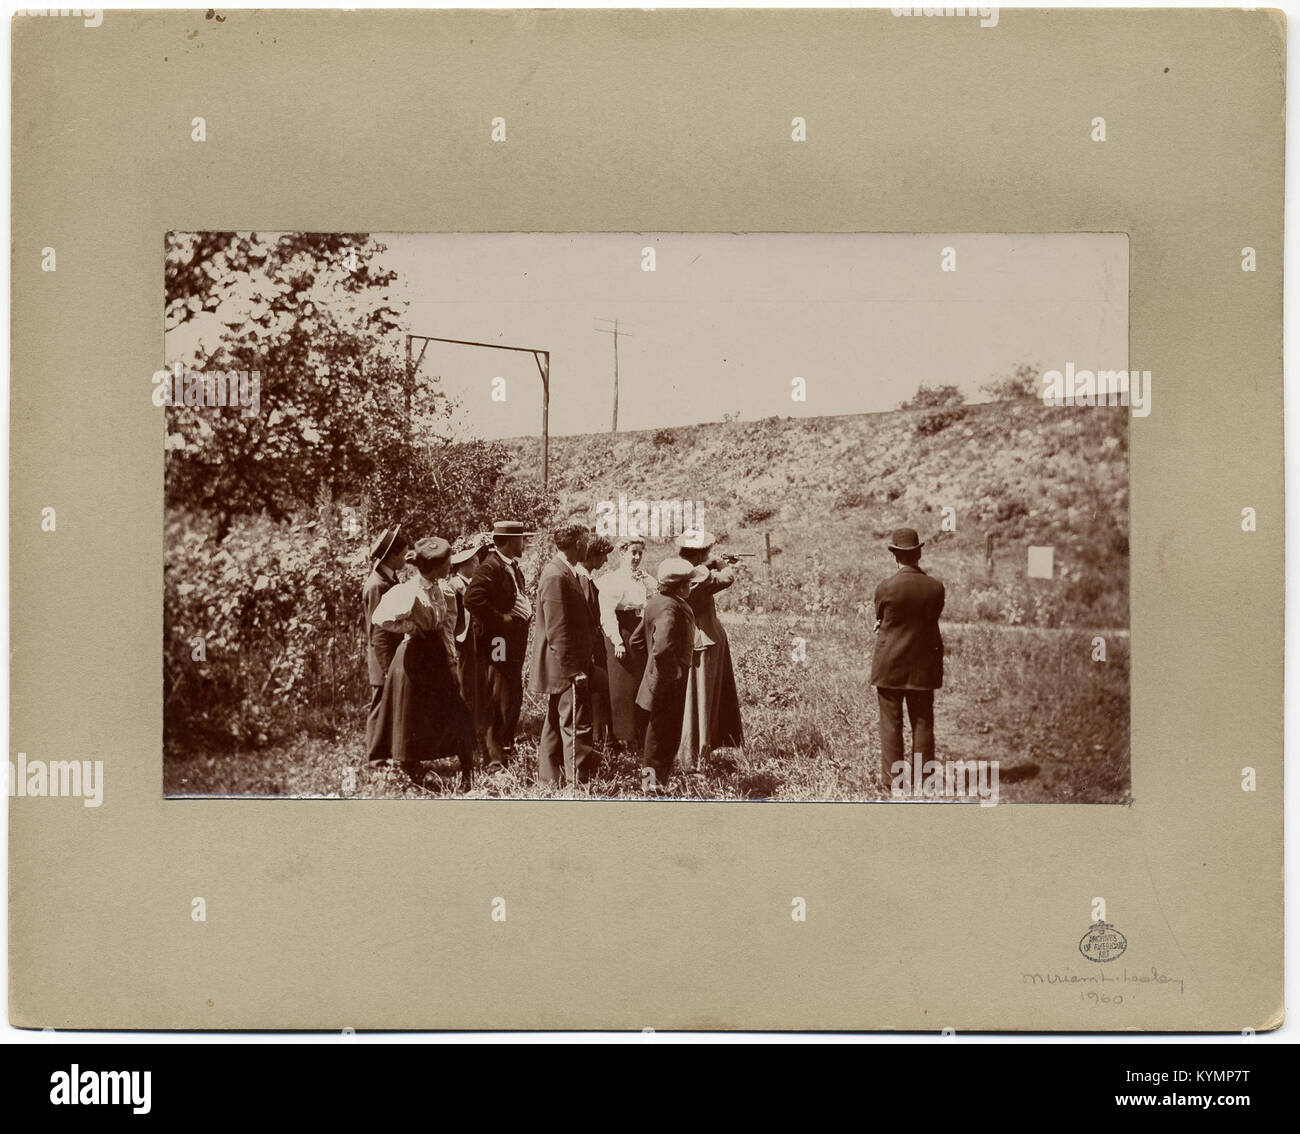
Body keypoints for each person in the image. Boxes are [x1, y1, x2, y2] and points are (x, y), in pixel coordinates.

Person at [367, 537, 475, 790]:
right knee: (412, 717)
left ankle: (468, 771)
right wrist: (411, 626)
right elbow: (380, 618)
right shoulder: (408, 591)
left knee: (457, 712)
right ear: (435, 567)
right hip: (413, 660)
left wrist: (451, 660)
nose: (451, 566)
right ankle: (413, 773)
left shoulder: (446, 590)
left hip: (436, 655)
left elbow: (448, 628)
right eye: (447, 563)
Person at [870, 527, 945, 792]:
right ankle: (926, 781)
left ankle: (894, 782)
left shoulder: (886, 587)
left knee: (891, 723)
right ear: (919, 553)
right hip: (924, 665)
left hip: (890, 664)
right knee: (923, 721)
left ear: (895, 555)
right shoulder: (936, 588)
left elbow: (880, 618)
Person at [527, 523, 594, 785]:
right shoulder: (556, 575)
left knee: (555, 723)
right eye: (586, 541)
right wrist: (573, 670)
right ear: (578, 544)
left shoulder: (564, 571)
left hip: (563, 665)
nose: (588, 546)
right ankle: (577, 785)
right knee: (575, 725)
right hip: (565, 667)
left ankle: (549, 780)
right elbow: (558, 629)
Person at [465, 520, 535, 772]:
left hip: (509, 642)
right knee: (498, 695)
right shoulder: (490, 567)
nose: (524, 543)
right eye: (520, 538)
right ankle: (494, 760)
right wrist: (501, 620)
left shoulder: (508, 566)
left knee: (511, 694)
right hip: (498, 641)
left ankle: (505, 748)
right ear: (508, 541)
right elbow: (472, 599)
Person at [629, 558, 702, 792]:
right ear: (680, 587)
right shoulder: (671, 608)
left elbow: (637, 641)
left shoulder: (656, 602)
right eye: (689, 584)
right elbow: (661, 648)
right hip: (668, 683)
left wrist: (649, 670)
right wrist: (674, 671)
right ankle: (651, 785)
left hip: (657, 680)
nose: (690, 588)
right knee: (661, 736)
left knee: (658, 733)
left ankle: (655, 782)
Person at [674, 528, 745, 769]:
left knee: (689, 699)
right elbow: (726, 579)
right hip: (703, 640)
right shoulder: (699, 574)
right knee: (702, 699)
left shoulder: (678, 568)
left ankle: (687, 751)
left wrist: (712, 562)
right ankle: (697, 755)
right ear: (701, 553)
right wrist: (725, 564)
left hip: (688, 639)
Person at [596, 537, 657, 750]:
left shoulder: (642, 577)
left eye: (640, 553)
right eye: (633, 552)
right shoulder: (612, 580)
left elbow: (653, 594)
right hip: (620, 631)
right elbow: (607, 613)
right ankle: (615, 737)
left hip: (638, 630)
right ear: (622, 553)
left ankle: (635, 735)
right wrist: (617, 641)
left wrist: (645, 580)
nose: (637, 557)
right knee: (619, 686)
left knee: (637, 683)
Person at [363, 525, 409, 753]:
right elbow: (378, 632)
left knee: (387, 707)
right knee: (379, 707)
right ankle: (376, 757)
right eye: (403, 555)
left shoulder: (389, 580)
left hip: (390, 659)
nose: (406, 558)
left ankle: (387, 754)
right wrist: (387, 666)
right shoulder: (377, 585)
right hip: (384, 660)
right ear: (391, 557)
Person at [443, 536, 489, 757]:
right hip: (462, 647)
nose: (476, 565)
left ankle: (477, 734)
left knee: (478, 690)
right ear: (462, 565)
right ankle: (466, 739)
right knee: (466, 692)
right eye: (472, 562)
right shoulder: (454, 586)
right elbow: (451, 622)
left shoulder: (470, 585)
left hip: (475, 646)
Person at [575, 533, 615, 749]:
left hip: (593, 645)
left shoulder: (587, 578)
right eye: (603, 556)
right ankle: (597, 741)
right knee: (595, 694)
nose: (606, 561)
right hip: (588, 648)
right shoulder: (581, 579)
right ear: (591, 555)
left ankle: (601, 739)